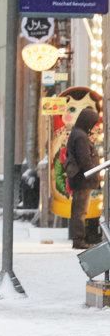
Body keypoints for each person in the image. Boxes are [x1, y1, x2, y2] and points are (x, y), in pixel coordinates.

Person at [65, 107, 101, 250]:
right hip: (82, 180)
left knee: (78, 210)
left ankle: (78, 238)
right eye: (92, 123)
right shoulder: (80, 137)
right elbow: (84, 160)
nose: (93, 126)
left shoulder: (77, 133)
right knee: (80, 211)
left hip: (79, 178)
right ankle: (79, 240)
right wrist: (94, 174)